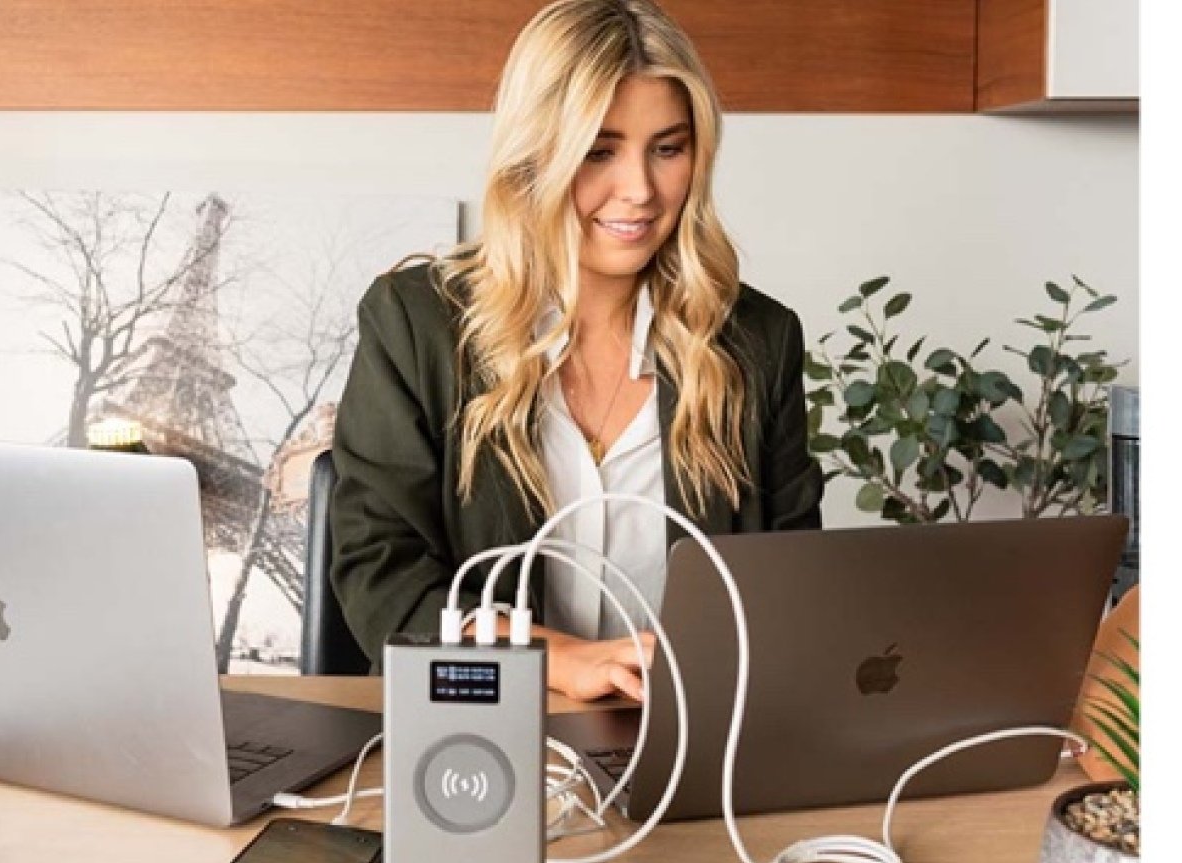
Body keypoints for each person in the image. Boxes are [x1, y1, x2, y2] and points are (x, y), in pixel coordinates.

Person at [329, 0, 822, 702]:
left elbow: (791, 586)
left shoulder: (756, 342)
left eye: (667, 148)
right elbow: (381, 573)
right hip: (478, 728)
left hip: (690, 743)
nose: (641, 191)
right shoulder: (416, 323)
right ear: (535, 155)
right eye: (599, 150)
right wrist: (554, 657)